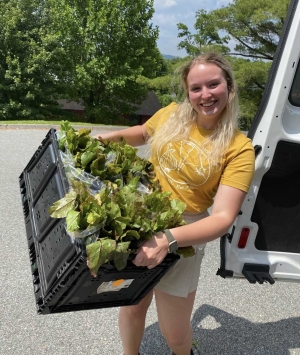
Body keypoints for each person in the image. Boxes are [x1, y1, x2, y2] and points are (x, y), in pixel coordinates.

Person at [94, 53, 255, 355]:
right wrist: (109, 138)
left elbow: (222, 217)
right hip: (138, 218)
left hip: (185, 233)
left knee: (175, 333)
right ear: (187, 92)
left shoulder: (239, 148)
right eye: (196, 88)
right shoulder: (171, 114)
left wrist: (168, 238)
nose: (205, 95)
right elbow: (143, 133)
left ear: (229, 87)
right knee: (131, 305)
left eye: (213, 85)